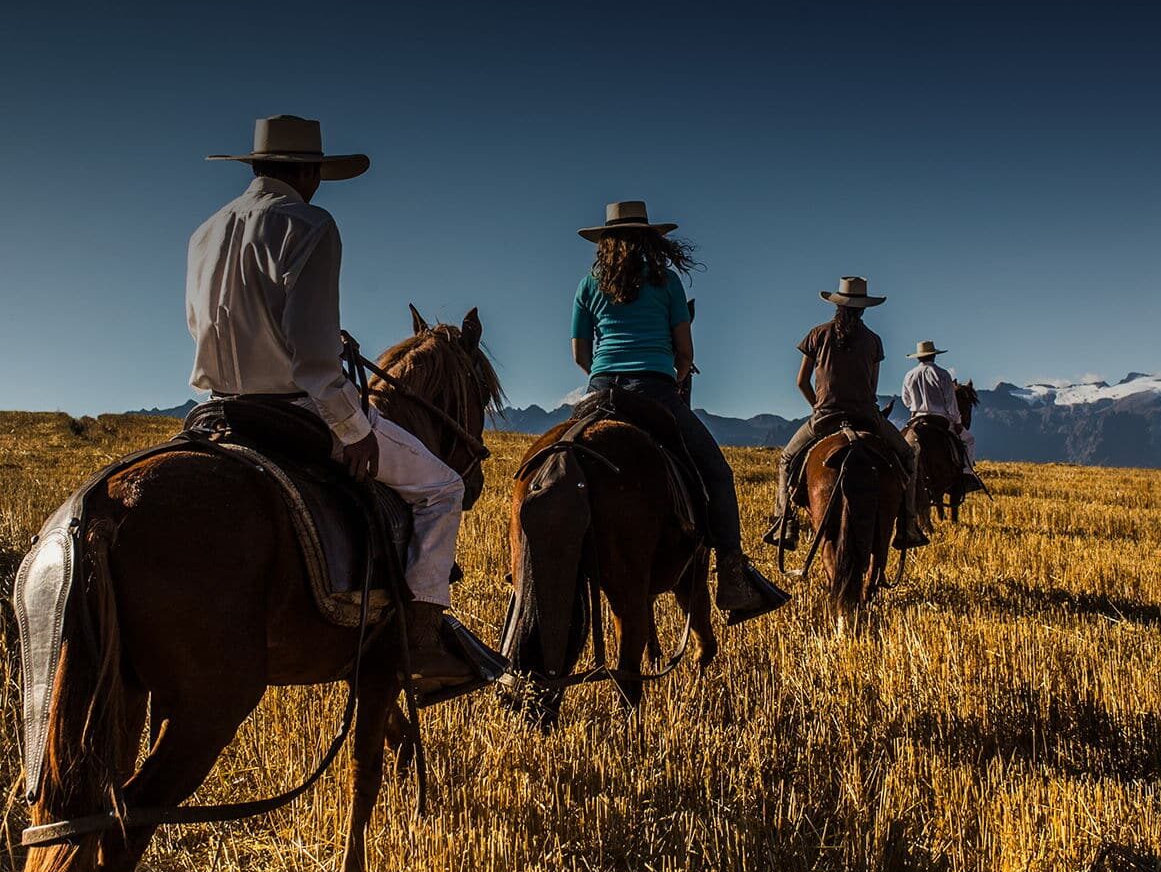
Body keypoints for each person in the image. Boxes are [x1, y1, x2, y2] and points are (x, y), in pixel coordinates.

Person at [190, 115, 497, 703]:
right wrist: (351, 429)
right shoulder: (309, 224)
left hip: (219, 409)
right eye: (319, 174)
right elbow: (309, 357)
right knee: (444, 487)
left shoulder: (206, 232)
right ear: (307, 171)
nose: (319, 185)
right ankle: (421, 641)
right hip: (295, 409)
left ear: (255, 167)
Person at [571, 201, 788, 618]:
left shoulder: (587, 285)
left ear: (605, 242)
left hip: (599, 390)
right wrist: (673, 372)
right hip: (654, 389)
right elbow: (685, 353)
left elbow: (580, 353)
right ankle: (731, 573)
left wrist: (604, 374)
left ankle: (531, 557)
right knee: (717, 474)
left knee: (553, 464)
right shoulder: (667, 281)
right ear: (650, 240)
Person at [764, 277, 928, 551]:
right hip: (866, 416)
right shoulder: (874, 341)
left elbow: (801, 381)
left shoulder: (817, 334)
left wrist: (817, 406)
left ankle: (785, 524)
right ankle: (908, 525)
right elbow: (872, 388)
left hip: (825, 416)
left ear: (837, 305)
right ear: (864, 309)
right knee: (907, 456)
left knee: (786, 459)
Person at [902, 339, 982, 487]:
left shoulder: (909, 375)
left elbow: (906, 400)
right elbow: (951, 402)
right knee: (969, 440)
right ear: (934, 355)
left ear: (918, 357)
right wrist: (957, 422)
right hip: (940, 419)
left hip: (916, 419)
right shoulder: (942, 374)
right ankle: (966, 475)